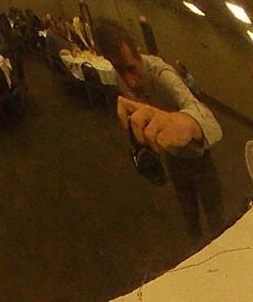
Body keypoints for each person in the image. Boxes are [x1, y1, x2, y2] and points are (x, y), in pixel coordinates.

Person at [93, 21, 225, 238]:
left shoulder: (161, 73)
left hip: (199, 158)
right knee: (189, 218)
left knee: (216, 218)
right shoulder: (120, 78)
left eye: (130, 69)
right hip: (172, 158)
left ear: (138, 53)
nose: (129, 81)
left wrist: (187, 123)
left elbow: (210, 122)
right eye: (119, 70)